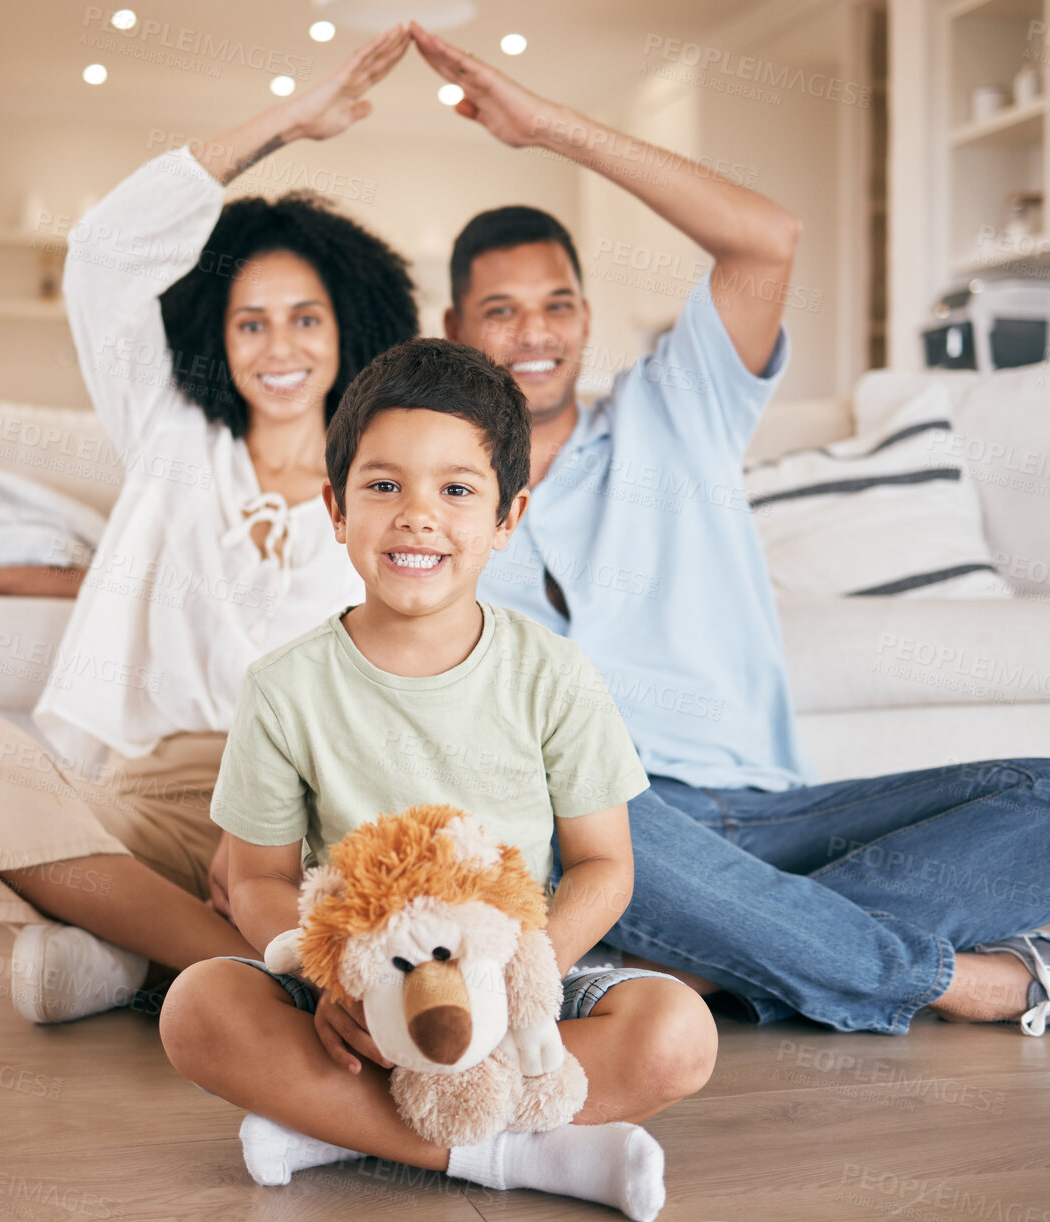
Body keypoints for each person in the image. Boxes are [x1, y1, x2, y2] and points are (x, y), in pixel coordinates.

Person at [405, 22, 1050, 1037]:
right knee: (544, 820)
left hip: (772, 812)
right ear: (456, 326)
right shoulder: (437, 497)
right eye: (501, 310)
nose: (534, 333)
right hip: (600, 827)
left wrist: (548, 128)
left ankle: (704, 968)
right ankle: (996, 986)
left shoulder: (678, 409)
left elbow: (768, 237)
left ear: (585, 316)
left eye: (558, 304)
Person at [0, 28, 420, 1024]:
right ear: (218, 333)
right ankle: (254, 974)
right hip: (147, 800)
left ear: (350, 327)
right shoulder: (172, 438)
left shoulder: (386, 484)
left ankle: (130, 950)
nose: (278, 346)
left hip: (312, 818)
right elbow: (104, 254)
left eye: (305, 317)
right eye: (251, 321)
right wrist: (290, 121)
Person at [159, 338, 713, 1222]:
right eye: (384, 486)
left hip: (521, 980)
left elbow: (605, 866)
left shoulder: (555, 675)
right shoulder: (283, 687)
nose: (418, 516)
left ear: (507, 516)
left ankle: (335, 1132)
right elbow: (254, 880)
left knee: (679, 1034)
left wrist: (519, 979)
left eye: (456, 490)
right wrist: (331, 985)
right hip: (356, 988)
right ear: (336, 509)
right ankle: (527, 1156)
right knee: (198, 1008)